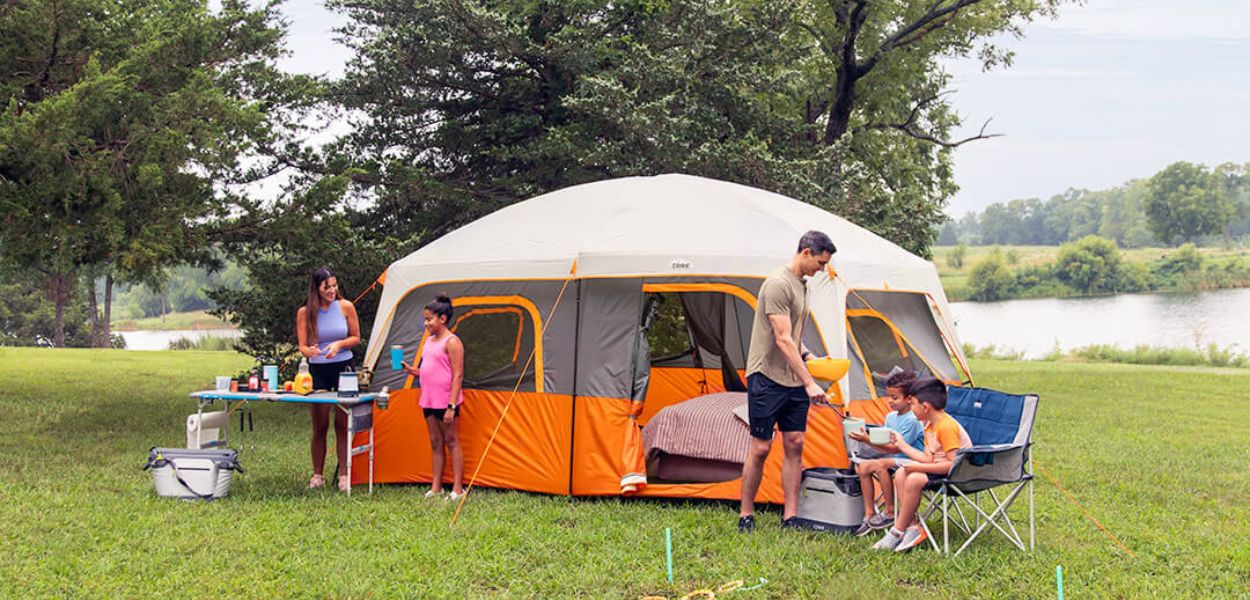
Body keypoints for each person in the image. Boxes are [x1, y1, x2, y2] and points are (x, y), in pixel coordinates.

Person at [738, 230, 837, 533]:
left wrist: (809, 356)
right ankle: (746, 514)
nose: (822, 269)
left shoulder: (802, 286)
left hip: (793, 379)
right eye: (821, 263)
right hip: (767, 377)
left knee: (795, 442)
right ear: (806, 252)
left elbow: (793, 336)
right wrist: (810, 382)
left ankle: (790, 516)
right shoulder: (778, 284)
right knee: (761, 447)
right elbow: (781, 339)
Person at [872, 377, 972, 552]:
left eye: (913, 405)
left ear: (925, 407)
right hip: (939, 468)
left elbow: (952, 464)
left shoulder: (946, 426)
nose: (911, 409)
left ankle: (897, 531)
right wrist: (902, 445)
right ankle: (912, 528)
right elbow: (927, 458)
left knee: (914, 478)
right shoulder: (929, 426)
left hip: (960, 473)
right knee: (902, 473)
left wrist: (917, 467)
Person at [296, 267, 361, 491]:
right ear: (317, 288)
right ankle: (318, 475)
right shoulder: (305, 312)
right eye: (327, 287)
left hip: (344, 366)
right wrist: (310, 352)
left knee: (343, 423)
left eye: (335, 286)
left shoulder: (346, 307)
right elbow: (302, 346)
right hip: (319, 371)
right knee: (320, 424)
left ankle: (344, 474)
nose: (332, 290)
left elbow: (356, 337)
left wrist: (339, 344)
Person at [402, 294, 466, 500]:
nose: (426, 323)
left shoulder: (452, 342)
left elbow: (457, 374)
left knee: (451, 440)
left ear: (442, 319)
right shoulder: (429, 341)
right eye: (425, 319)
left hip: (446, 401)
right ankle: (436, 487)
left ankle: (457, 489)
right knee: (435, 441)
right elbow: (431, 369)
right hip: (428, 400)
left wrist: (451, 405)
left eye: (429, 319)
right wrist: (413, 371)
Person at [847, 369, 925, 536]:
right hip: (895, 460)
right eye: (888, 396)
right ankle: (869, 514)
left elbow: (896, 448)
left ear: (909, 399)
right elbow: (885, 444)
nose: (890, 401)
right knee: (864, 467)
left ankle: (889, 510)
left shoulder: (912, 420)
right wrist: (866, 438)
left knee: (881, 464)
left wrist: (867, 440)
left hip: (914, 461)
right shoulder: (890, 417)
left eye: (894, 398)